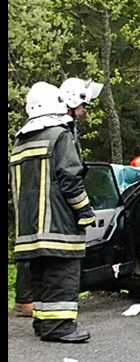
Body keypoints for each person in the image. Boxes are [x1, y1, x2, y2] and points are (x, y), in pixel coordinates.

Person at [9, 81, 96, 343]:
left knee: (41, 276)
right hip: (58, 226)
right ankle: (59, 327)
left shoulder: (20, 140)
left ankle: (44, 324)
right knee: (62, 274)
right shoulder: (59, 136)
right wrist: (85, 212)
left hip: (28, 228)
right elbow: (70, 179)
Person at [59, 77, 103, 157]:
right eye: (84, 105)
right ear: (72, 100)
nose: (84, 109)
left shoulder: (69, 127)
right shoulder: (61, 129)